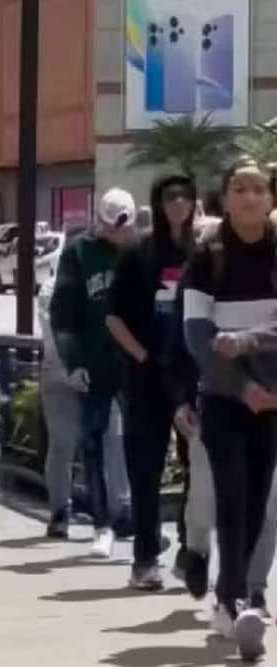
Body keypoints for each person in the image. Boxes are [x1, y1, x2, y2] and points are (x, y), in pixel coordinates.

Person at [182, 158, 277, 658]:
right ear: (226, 198)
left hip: (274, 401)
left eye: (258, 188)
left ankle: (228, 595)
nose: (248, 196)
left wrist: (249, 340)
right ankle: (240, 601)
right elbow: (198, 338)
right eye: (239, 188)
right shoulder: (207, 256)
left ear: (271, 199)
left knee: (259, 502)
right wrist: (244, 390)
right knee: (234, 499)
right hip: (225, 400)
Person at [105, 174, 196, 591]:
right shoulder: (137, 252)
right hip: (145, 379)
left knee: (201, 471)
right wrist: (141, 357)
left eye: (184, 196)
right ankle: (144, 558)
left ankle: (191, 553)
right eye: (169, 197)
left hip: (196, 380)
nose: (178, 203)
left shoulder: (205, 253)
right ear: (157, 204)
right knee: (146, 470)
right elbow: (113, 316)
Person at [49, 188, 137, 559]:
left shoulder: (139, 253)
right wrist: (72, 363)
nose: (115, 233)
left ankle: (134, 518)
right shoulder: (78, 254)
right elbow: (62, 314)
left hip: (136, 363)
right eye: (109, 224)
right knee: (93, 443)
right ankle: (102, 524)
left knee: (138, 443)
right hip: (95, 363)